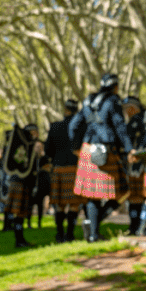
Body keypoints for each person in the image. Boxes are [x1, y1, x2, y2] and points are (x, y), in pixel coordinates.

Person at [72, 72, 134, 242]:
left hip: (87, 150)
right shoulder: (113, 101)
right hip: (105, 151)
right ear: (115, 86)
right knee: (124, 192)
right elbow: (120, 127)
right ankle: (94, 227)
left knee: (92, 195)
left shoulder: (87, 101)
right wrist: (129, 149)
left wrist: (76, 148)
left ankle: (93, 232)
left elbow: (73, 125)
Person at [45, 99, 83, 243]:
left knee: (59, 203)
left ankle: (59, 234)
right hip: (76, 167)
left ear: (65, 110)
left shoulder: (55, 127)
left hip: (59, 168)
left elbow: (47, 150)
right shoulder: (80, 127)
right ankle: (70, 234)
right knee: (74, 203)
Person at [2, 124, 43, 249]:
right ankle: (19, 239)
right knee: (19, 213)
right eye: (35, 132)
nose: (37, 134)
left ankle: (20, 239)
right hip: (21, 182)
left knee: (21, 213)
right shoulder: (28, 145)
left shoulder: (25, 145)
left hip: (22, 181)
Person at [121, 95, 146, 235]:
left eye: (127, 109)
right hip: (134, 166)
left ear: (133, 108)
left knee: (145, 195)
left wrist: (136, 152)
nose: (126, 112)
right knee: (135, 196)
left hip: (142, 164)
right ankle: (136, 226)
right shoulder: (131, 122)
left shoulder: (141, 120)